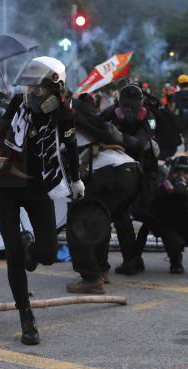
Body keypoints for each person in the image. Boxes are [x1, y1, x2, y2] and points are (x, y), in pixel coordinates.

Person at [0, 56, 84, 345]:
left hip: (39, 186)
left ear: (56, 89)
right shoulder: (18, 103)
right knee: (14, 255)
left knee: (48, 254)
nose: (33, 94)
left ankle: (31, 247)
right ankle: (26, 316)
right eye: (31, 88)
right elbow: (2, 130)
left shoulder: (64, 115)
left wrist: (75, 179)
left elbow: (71, 147)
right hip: (7, 185)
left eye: (39, 89)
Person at [65, 93, 140, 293]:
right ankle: (103, 269)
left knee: (79, 222)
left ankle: (91, 277)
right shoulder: (94, 122)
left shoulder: (68, 127)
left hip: (110, 174)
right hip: (131, 172)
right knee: (103, 220)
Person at [100, 84, 160, 275]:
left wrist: (119, 136)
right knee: (120, 216)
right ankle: (132, 260)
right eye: (126, 105)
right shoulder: (112, 112)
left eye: (133, 106)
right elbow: (95, 125)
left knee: (143, 215)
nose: (129, 110)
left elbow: (142, 143)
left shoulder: (148, 117)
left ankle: (133, 259)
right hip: (116, 170)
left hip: (141, 171)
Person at [149, 156, 188, 278]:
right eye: (177, 173)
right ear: (171, 173)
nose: (181, 177)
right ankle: (175, 260)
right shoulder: (163, 190)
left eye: (186, 173)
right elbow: (153, 219)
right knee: (172, 239)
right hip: (171, 229)